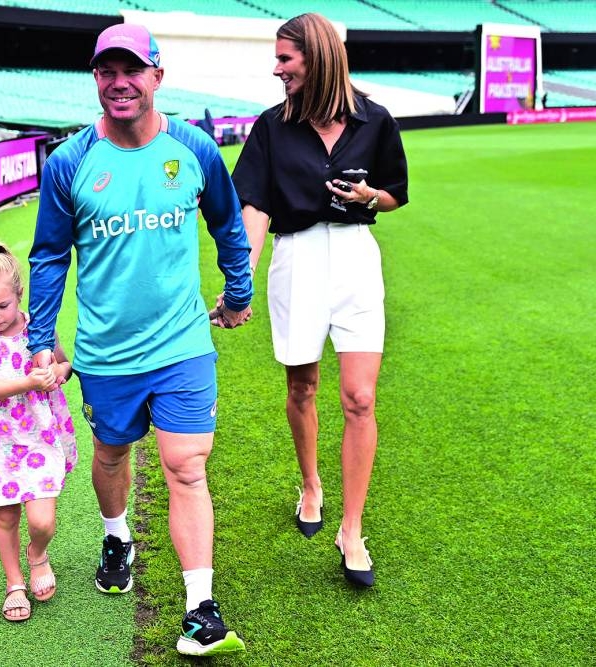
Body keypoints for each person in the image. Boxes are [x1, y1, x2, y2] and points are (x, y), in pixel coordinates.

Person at [28, 23, 251, 656]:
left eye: (132, 70)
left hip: (182, 345)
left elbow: (228, 224)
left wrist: (239, 292)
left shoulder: (195, 147)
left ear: (157, 75)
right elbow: (50, 255)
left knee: (187, 467)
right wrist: (40, 337)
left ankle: (201, 609)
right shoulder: (70, 162)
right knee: (111, 455)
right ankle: (116, 534)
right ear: (96, 79)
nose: (120, 83)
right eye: (107, 71)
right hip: (107, 353)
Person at [231, 12, 409, 588]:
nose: (276, 69)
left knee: (360, 397)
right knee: (302, 387)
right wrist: (242, 276)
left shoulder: (375, 120)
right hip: (296, 259)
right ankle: (311, 485)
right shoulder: (271, 126)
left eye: (285, 59)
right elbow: (254, 205)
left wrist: (369, 196)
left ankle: (351, 529)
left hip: (357, 260)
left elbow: (395, 194)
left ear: (318, 57)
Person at [0, 239, 77, 623]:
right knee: (6, 516)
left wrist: (57, 372)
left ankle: (37, 553)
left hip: (39, 436)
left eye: (2, 306)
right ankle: (14, 583)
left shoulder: (37, 327)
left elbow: (65, 364)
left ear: (19, 295)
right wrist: (29, 381)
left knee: (42, 521)